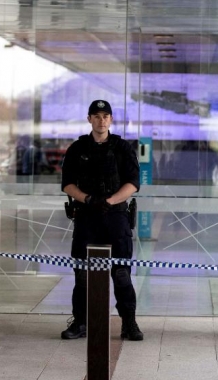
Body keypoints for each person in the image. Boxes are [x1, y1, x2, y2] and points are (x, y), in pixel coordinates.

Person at [60, 99, 143, 341]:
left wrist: (110, 201)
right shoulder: (78, 148)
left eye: (105, 116)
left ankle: (129, 323)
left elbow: (133, 183)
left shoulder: (122, 148)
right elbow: (67, 184)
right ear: (89, 119)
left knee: (121, 273)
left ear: (111, 119)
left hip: (116, 217)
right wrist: (87, 199)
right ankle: (81, 322)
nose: (101, 120)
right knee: (82, 273)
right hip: (86, 216)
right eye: (96, 116)